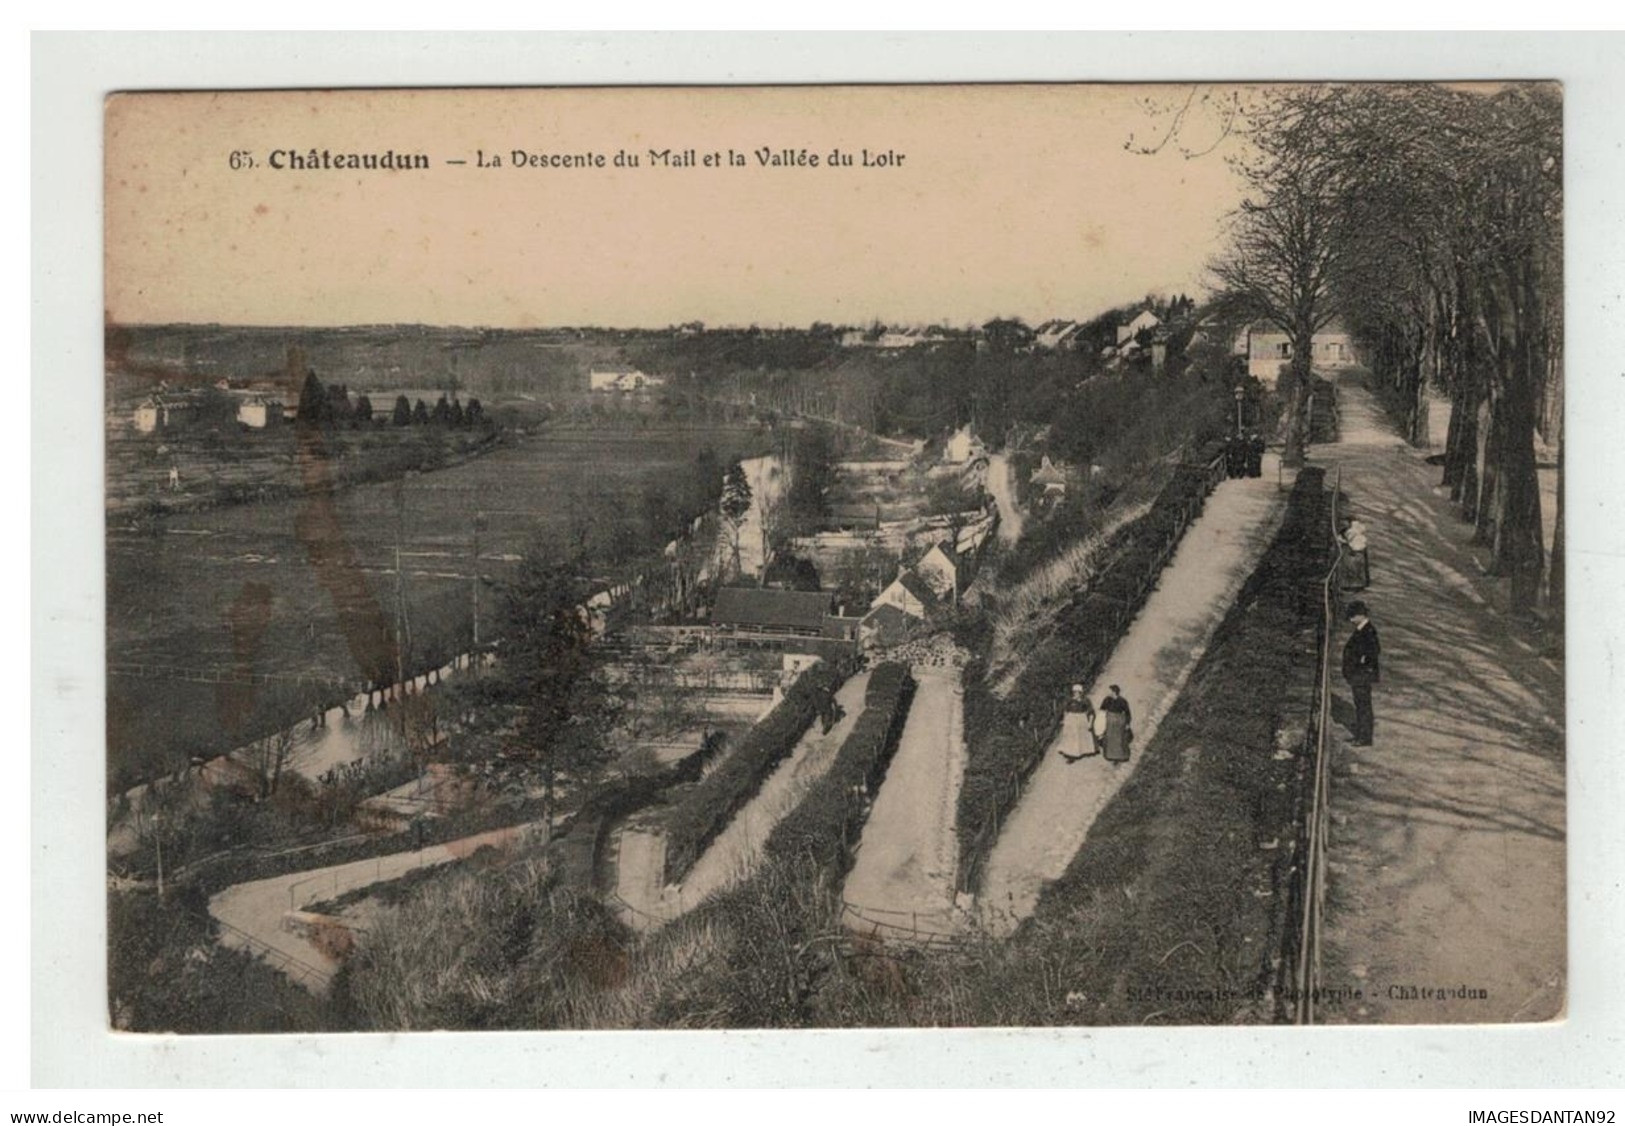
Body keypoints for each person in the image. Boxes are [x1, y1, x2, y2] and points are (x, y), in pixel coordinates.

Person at [1341, 600, 1381, 746]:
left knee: (1363, 706)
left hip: (1362, 675)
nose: (1351, 620)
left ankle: (1364, 738)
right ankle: (1360, 734)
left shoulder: (1368, 630)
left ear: (1360, 615)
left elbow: (1374, 651)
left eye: (1352, 616)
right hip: (1359, 675)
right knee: (1360, 705)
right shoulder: (1362, 629)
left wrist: (1361, 663)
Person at [1059, 683, 1099, 762]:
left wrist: (1090, 723)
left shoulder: (1086, 700)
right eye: (1074, 692)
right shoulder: (1070, 701)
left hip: (1081, 719)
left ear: (1081, 693)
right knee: (1071, 737)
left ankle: (1083, 751)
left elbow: (1091, 712)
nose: (1076, 694)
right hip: (1071, 719)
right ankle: (1071, 755)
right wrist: (1065, 720)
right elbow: (1066, 711)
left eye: (1077, 692)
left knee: (1081, 736)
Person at [1100, 684, 1133, 764]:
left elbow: (1127, 713)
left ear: (1114, 692)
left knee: (1119, 739)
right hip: (1110, 720)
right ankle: (1110, 755)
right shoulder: (1107, 700)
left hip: (1119, 721)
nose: (1108, 693)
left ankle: (1119, 757)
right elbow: (1102, 709)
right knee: (1110, 738)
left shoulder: (1122, 701)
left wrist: (1127, 723)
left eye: (1110, 691)